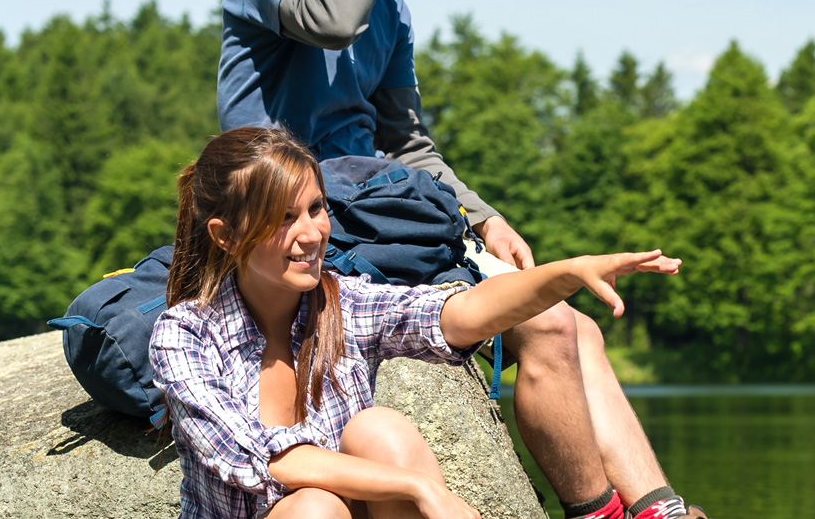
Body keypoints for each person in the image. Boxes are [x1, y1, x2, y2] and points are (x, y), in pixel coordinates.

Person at [215, 0, 699, 518]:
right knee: (549, 324)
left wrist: (484, 215)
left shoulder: (387, 5)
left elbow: (407, 143)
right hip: (296, 219)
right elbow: (327, 17)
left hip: (373, 213)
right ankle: (602, 514)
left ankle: (660, 510)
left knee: (569, 326)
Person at [152, 126, 679, 518]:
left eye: (316, 209)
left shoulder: (341, 304)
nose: (312, 234)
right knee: (316, 510)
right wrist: (422, 488)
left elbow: (458, 314)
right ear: (224, 235)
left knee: (379, 428)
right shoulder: (185, 335)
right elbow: (271, 464)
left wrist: (568, 273)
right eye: (284, 218)